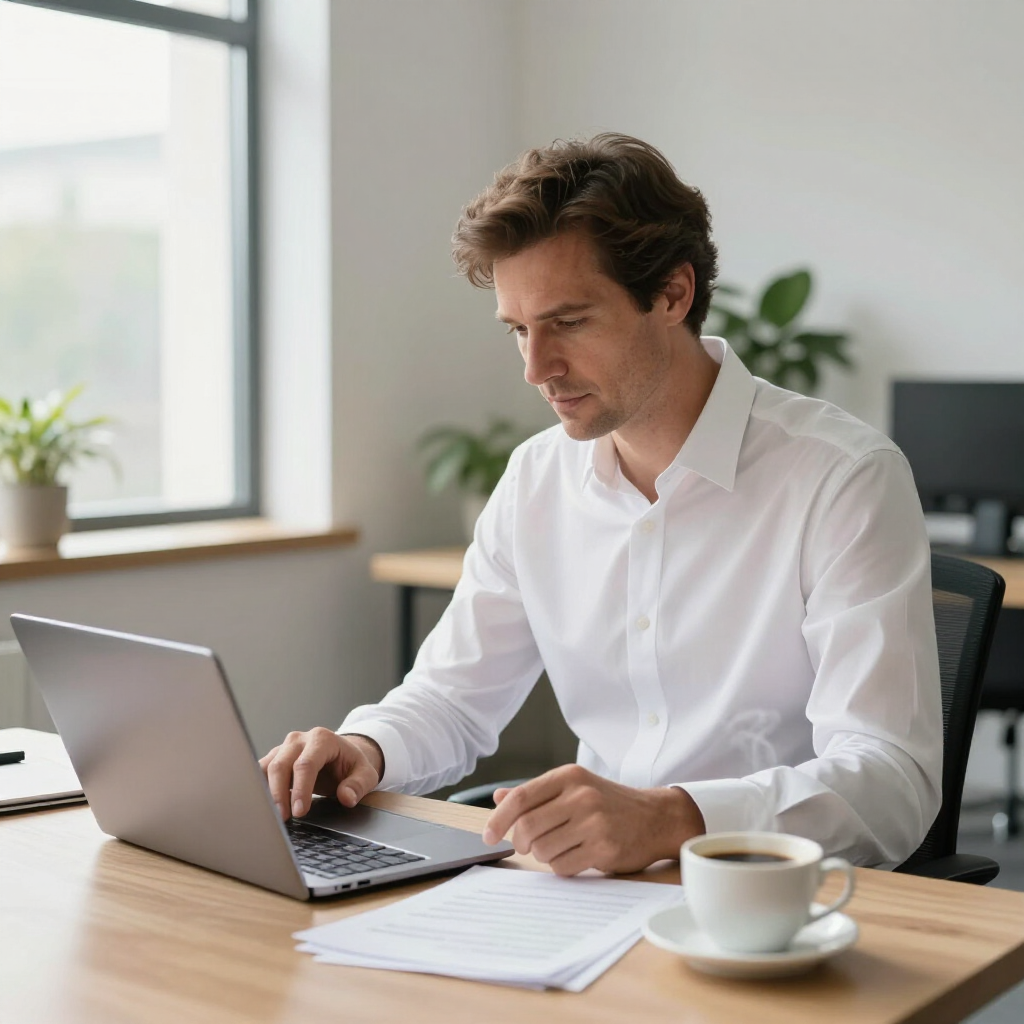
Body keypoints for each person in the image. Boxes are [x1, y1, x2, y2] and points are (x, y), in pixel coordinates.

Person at [261, 133, 942, 875]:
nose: (535, 368)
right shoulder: (535, 481)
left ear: (672, 295)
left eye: (569, 322)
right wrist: (364, 750)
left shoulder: (841, 477)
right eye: (519, 330)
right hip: (583, 899)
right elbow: (454, 698)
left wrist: (673, 819)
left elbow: (890, 778)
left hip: (770, 905)